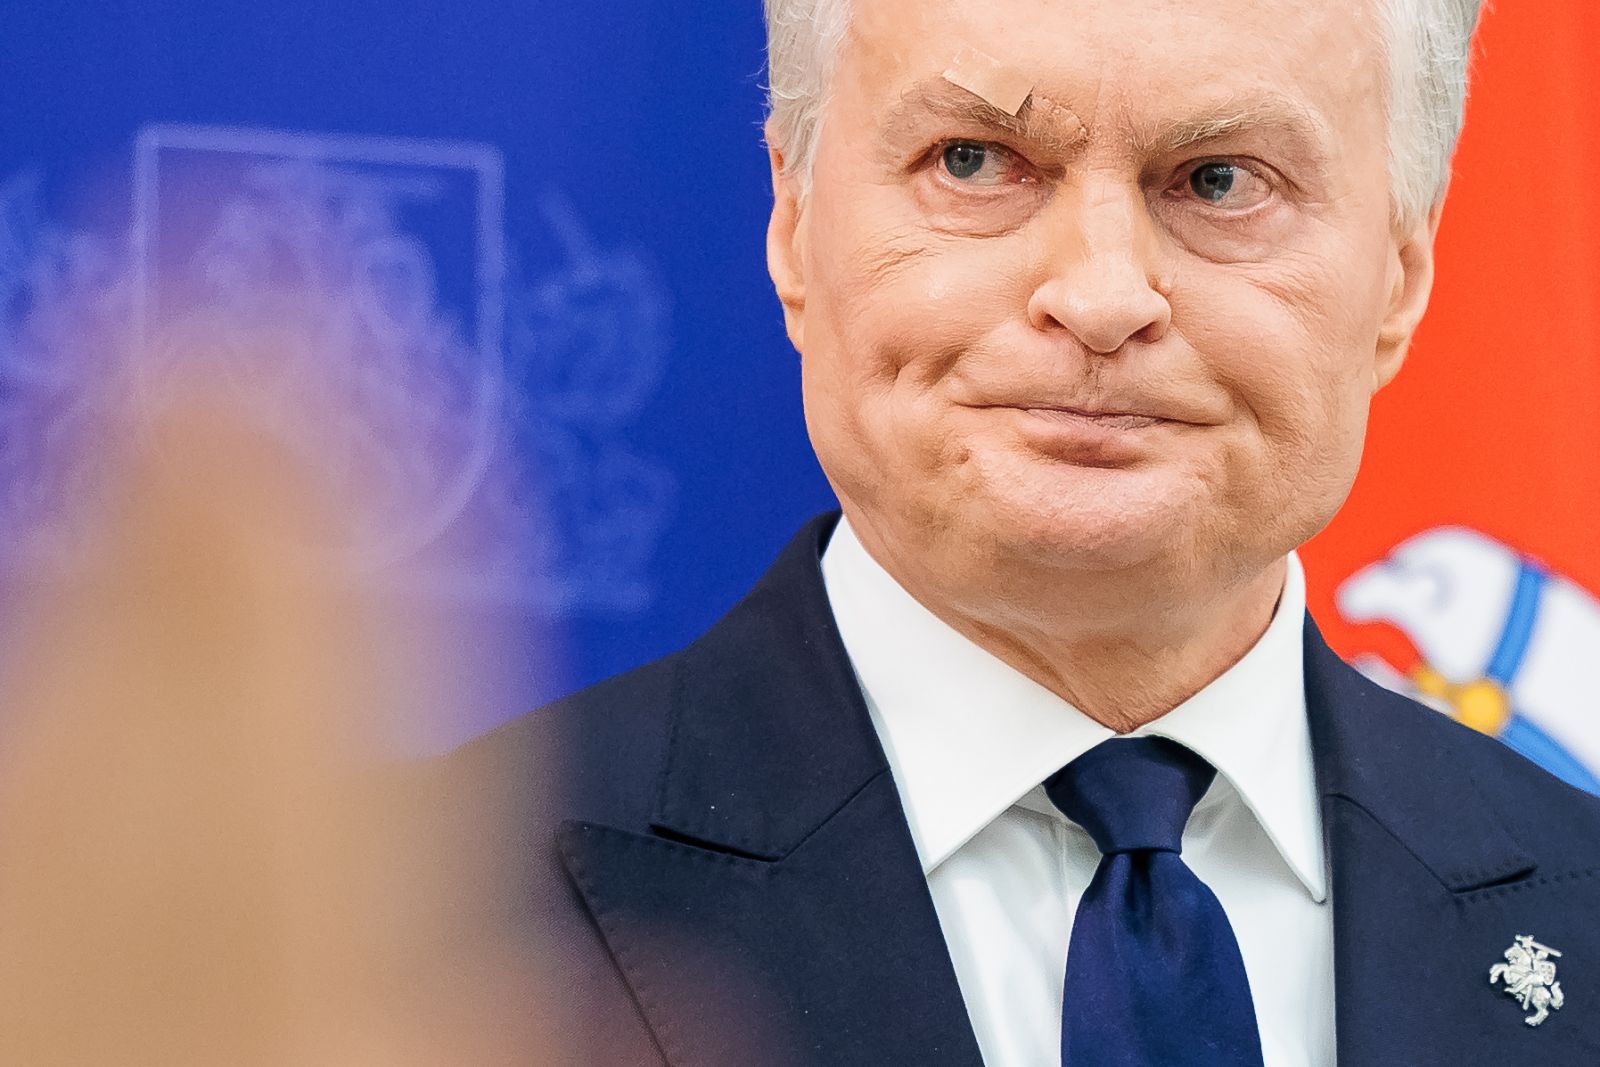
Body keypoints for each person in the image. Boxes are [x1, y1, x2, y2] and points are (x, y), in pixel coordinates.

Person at [440, 0, 1600, 1063]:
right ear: (794, 220)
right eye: (974, 160)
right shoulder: (426, 917)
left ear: (1400, 273)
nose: (1100, 298)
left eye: (1217, 182)